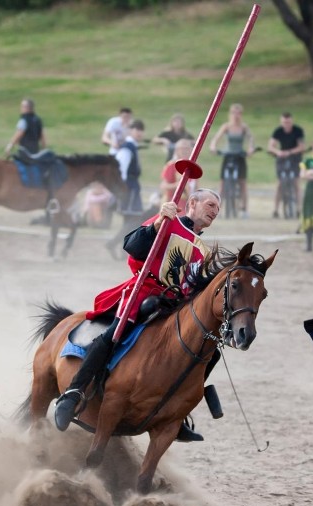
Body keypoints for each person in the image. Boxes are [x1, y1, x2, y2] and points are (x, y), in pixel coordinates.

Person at [55, 189, 223, 440]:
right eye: (210, 204)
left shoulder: (204, 250)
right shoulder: (168, 222)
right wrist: (156, 225)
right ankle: (74, 391)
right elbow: (132, 247)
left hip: (175, 305)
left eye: (217, 210)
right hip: (144, 293)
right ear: (192, 203)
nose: (214, 211)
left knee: (208, 349)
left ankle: (178, 413)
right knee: (116, 333)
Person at [105, 119, 146, 259]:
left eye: (141, 129)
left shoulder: (131, 146)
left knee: (129, 219)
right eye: (136, 129)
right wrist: (121, 190)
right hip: (128, 187)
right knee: (135, 218)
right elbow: (120, 168)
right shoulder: (127, 147)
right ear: (130, 130)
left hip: (131, 186)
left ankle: (124, 251)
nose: (139, 132)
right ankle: (113, 243)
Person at [209, 103, 255, 218]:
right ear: (230, 114)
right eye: (234, 112)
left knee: (242, 183)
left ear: (241, 114)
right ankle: (218, 208)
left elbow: (250, 139)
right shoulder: (226, 126)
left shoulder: (244, 127)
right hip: (228, 155)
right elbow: (216, 138)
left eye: (238, 113)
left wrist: (250, 149)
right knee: (222, 184)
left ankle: (244, 209)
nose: (236, 115)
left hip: (240, 156)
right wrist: (213, 147)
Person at [267, 112, 305, 218]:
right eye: (284, 122)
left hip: (295, 158)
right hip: (281, 158)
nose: (286, 124)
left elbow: (301, 146)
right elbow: (270, 146)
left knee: (296, 183)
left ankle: (298, 209)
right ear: (281, 122)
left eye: (288, 122)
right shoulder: (278, 131)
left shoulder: (298, 130)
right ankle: (275, 209)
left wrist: (290, 152)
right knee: (279, 183)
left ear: (291, 121)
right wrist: (278, 152)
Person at [159, 138, 198, 206]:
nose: (184, 151)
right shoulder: (172, 165)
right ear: (177, 150)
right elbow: (163, 186)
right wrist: (177, 185)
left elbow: (195, 187)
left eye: (187, 148)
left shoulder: (193, 166)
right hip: (173, 204)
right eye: (182, 148)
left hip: (188, 205)